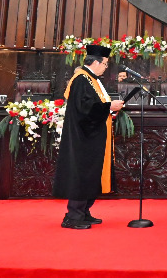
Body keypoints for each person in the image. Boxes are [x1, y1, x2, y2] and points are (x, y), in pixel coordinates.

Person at [52, 44, 124, 230]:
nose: (106, 67)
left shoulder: (91, 79)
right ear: (96, 62)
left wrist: (109, 109)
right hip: (82, 137)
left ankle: (84, 212)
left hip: (91, 135)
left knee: (91, 174)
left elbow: (94, 105)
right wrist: (109, 107)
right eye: (105, 64)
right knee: (81, 174)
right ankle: (73, 217)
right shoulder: (81, 79)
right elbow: (85, 108)